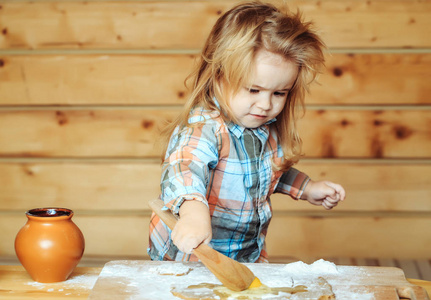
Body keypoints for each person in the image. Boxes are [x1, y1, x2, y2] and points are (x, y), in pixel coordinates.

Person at [148, 1, 346, 263]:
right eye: (253, 90)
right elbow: (185, 169)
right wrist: (193, 215)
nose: (266, 104)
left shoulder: (262, 126)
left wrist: (307, 188)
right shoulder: (204, 127)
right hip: (193, 256)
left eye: (279, 93)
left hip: (243, 253)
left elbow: (266, 172)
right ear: (219, 76)